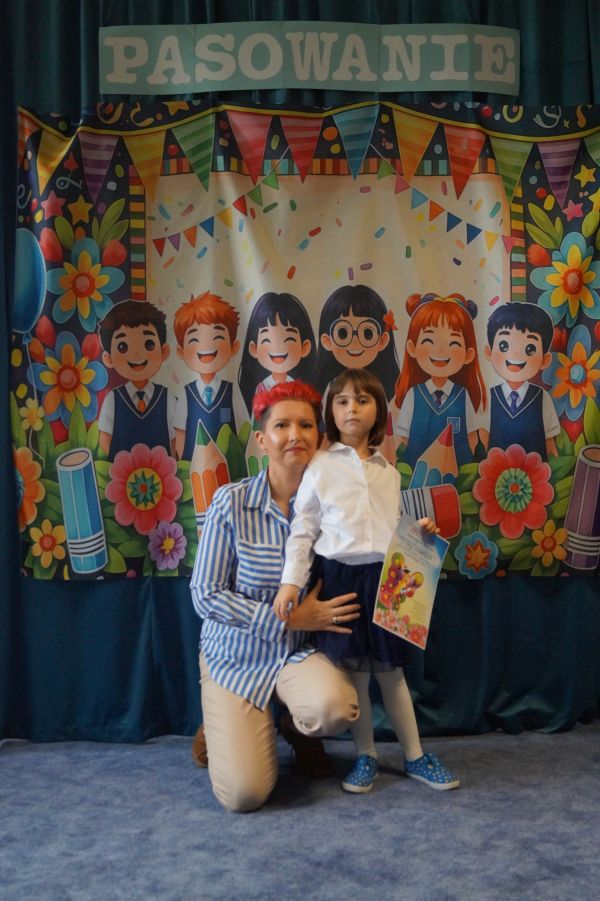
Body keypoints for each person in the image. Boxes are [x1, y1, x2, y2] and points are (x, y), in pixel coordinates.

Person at [274, 368, 460, 794]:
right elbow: (303, 531)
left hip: (386, 578)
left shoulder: (388, 472)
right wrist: (290, 584)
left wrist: (418, 532)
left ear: (378, 411)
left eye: (362, 401)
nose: (352, 409)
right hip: (340, 579)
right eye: (342, 401)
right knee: (355, 674)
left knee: (392, 674)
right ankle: (367, 756)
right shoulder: (319, 467)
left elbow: (392, 526)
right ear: (330, 412)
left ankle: (415, 755)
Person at [190, 380, 362, 812]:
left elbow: (375, 541)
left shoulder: (336, 508)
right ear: (262, 440)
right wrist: (288, 618)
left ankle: (294, 726)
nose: (294, 435)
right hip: (235, 657)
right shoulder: (230, 504)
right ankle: (222, 724)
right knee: (244, 795)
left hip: (297, 654)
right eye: (281, 425)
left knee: (336, 708)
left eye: (306, 425)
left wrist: (418, 536)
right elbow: (205, 595)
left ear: (320, 439)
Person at [392, 292, 486, 469]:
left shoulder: (462, 395)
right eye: (429, 340)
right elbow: (404, 439)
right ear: (412, 348)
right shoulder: (413, 395)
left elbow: (472, 437)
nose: (441, 351)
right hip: (419, 475)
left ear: (468, 354)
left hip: (457, 476)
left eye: (453, 343)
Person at [98, 300, 175, 460]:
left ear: (164, 351)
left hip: (162, 472)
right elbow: (105, 441)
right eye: (123, 347)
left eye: (148, 344)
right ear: (108, 358)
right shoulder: (113, 399)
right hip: (121, 472)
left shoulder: (167, 398)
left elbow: (174, 441)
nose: (137, 354)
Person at [481, 302, 559, 459]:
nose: (515, 355)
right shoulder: (488, 397)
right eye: (504, 345)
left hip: (535, 471)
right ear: (489, 352)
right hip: (495, 471)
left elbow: (550, 445)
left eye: (530, 349)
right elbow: (483, 439)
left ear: (545, 360)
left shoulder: (543, 398)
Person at [173, 291, 241, 459]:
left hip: (227, 467)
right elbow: (180, 432)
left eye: (217, 336)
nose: (206, 346)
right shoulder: (186, 393)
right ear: (181, 351)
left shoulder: (232, 391)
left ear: (234, 347)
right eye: (194, 339)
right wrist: (183, 464)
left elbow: (242, 427)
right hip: (193, 466)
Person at [237, 291, 317, 419]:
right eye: (267, 340)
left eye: (289, 339)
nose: (278, 348)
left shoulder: (300, 388)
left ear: (305, 347)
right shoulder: (261, 388)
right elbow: (256, 422)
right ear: (254, 348)